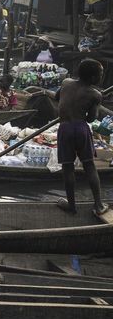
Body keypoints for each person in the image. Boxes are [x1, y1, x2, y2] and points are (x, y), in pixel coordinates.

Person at [54, 59, 109, 217]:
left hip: (64, 128)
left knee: (67, 167)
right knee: (89, 166)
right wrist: (96, 103)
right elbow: (91, 119)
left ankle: (71, 205)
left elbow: (58, 98)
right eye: (100, 74)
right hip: (80, 128)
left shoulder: (66, 82)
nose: (101, 76)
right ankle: (98, 205)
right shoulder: (95, 94)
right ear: (92, 78)